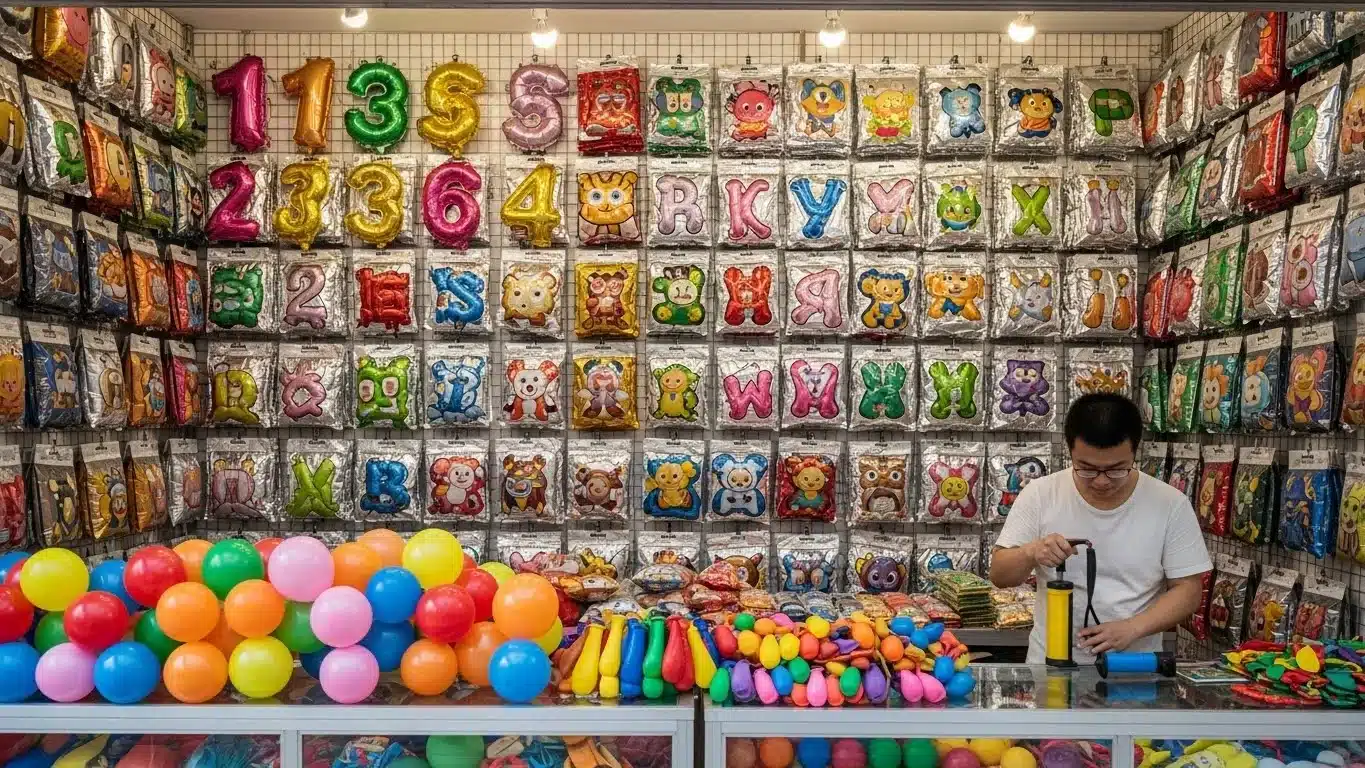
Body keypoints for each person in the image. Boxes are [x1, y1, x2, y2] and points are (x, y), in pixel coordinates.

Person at [990, 393, 1211, 665]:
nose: (1102, 481)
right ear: (1070, 451)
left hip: (1133, 670)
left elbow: (1188, 590)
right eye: (1087, 469)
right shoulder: (1039, 494)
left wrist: (1133, 628)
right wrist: (1031, 552)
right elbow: (1000, 574)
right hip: (1049, 668)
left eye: (1117, 469)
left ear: (1135, 452)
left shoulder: (1169, 503)